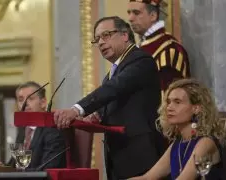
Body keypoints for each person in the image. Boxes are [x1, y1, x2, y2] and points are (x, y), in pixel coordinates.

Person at [53, 16, 164, 179]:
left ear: (125, 35)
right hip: (118, 158)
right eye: (97, 39)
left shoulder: (141, 60)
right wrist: (98, 117)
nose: (100, 43)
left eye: (106, 35)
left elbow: (114, 88)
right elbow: (118, 102)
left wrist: (77, 109)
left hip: (141, 155)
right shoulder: (110, 75)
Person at [129, 79, 225, 180]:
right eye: (169, 102)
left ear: (196, 108)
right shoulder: (177, 143)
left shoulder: (205, 143)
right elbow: (148, 178)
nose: (169, 107)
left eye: (177, 102)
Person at [0, 81, 67, 170]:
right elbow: (18, 165)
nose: (25, 103)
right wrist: (0, 167)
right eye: (21, 100)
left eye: (31, 98)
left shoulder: (53, 129)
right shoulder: (23, 130)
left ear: (43, 102)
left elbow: (49, 168)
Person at [127, 0, 191, 92]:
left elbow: (169, 97)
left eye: (136, 13)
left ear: (153, 15)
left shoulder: (168, 49)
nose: (130, 18)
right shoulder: (141, 46)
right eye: (129, 12)